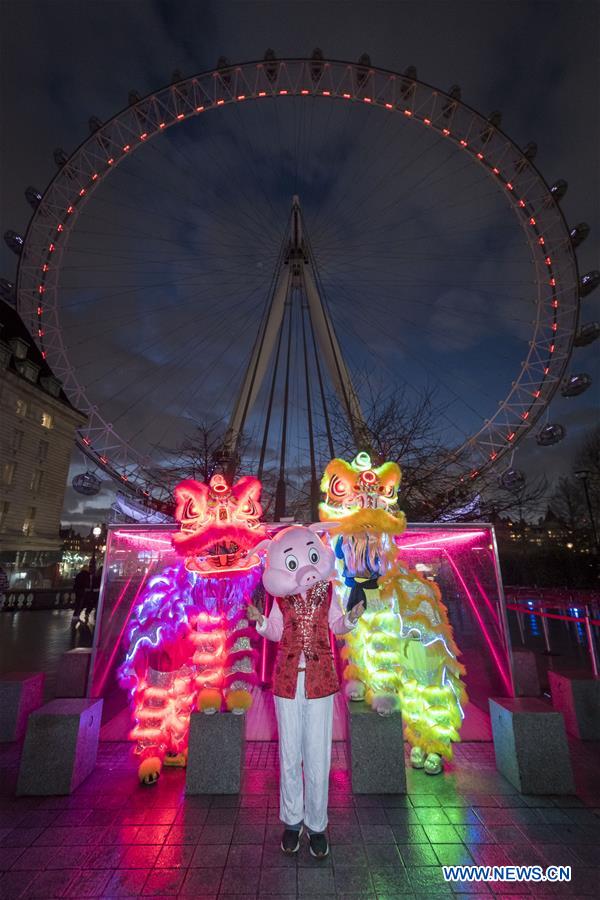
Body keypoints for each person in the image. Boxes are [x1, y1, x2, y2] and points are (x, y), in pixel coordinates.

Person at [247, 525, 364, 859]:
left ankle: (317, 824)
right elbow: (274, 632)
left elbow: (337, 626)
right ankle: (291, 821)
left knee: (317, 754)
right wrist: (259, 621)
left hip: (321, 680)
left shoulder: (329, 592)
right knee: (289, 753)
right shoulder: (280, 598)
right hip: (285, 681)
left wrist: (352, 619)